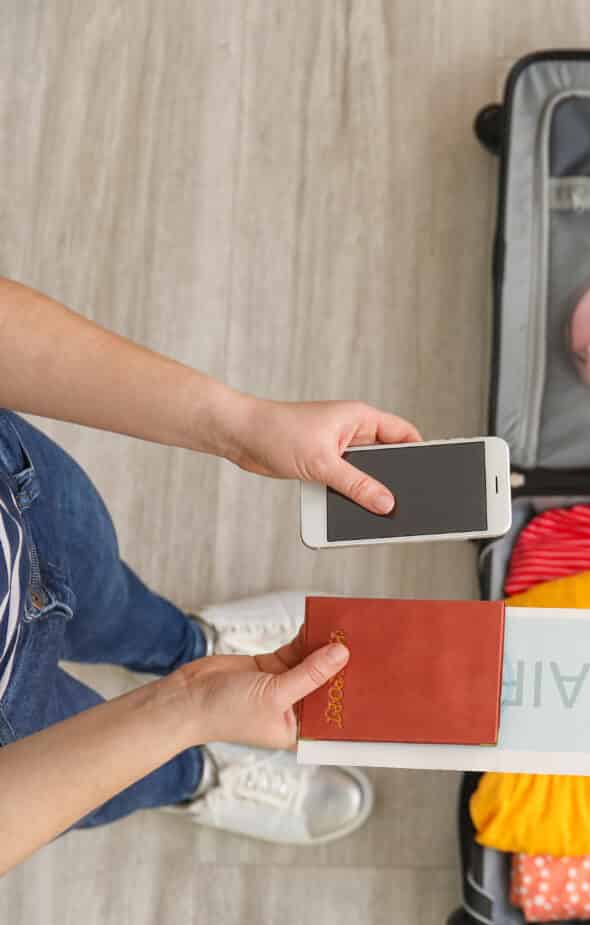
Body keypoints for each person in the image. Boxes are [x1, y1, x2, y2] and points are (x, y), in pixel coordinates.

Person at [0, 276, 422, 875]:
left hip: (22, 499)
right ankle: (192, 774)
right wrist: (187, 708)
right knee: (104, 774)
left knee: (110, 600)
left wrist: (242, 426)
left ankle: (189, 644)